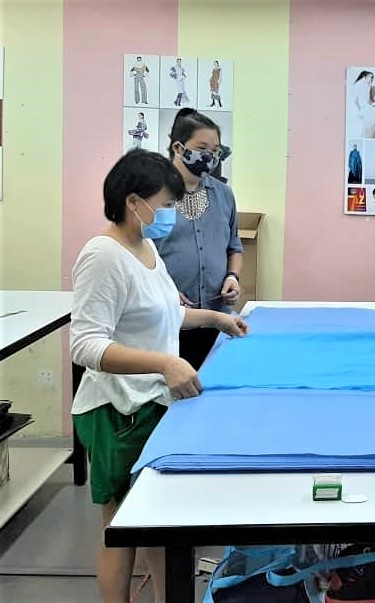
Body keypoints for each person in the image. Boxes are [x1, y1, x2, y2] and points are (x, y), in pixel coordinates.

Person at [70, 149, 248, 603]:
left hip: (153, 403)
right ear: (134, 202)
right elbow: (86, 345)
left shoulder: (146, 248)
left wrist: (216, 319)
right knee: (121, 524)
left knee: (158, 523)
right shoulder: (103, 256)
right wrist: (164, 363)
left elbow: (167, 315)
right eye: (165, 204)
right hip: (118, 410)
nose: (170, 214)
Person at [154, 108, 243, 370]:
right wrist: (164, 289)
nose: (210, 157)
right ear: (178, 148)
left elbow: (234, 246)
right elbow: (136, 253)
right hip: (168, 320)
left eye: (215, 151)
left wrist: (232, 277)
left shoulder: (223, 194)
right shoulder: (154, 193)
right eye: (202, 148)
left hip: (217, 317)